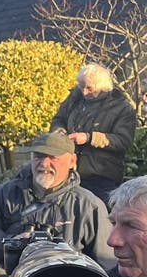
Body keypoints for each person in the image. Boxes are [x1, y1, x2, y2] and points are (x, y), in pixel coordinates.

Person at [0, 131, 113, 267]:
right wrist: (10, 243)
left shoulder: (88, 206)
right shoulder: (6, 194)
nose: (44, 164)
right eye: (38, 156)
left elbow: (107, 263)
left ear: (72, 161)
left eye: (53, 157)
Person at [50, 61, 137, 202]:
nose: (84, 92)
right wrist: (59, 131)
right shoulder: (74, 99)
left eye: (89, 88)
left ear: (102, 87)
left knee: (98, 217)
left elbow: (123, 141)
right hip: (69, 172)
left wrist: (89, 138)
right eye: (81, 86)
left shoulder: (122, 108)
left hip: (101, 176)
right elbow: (59, 118)